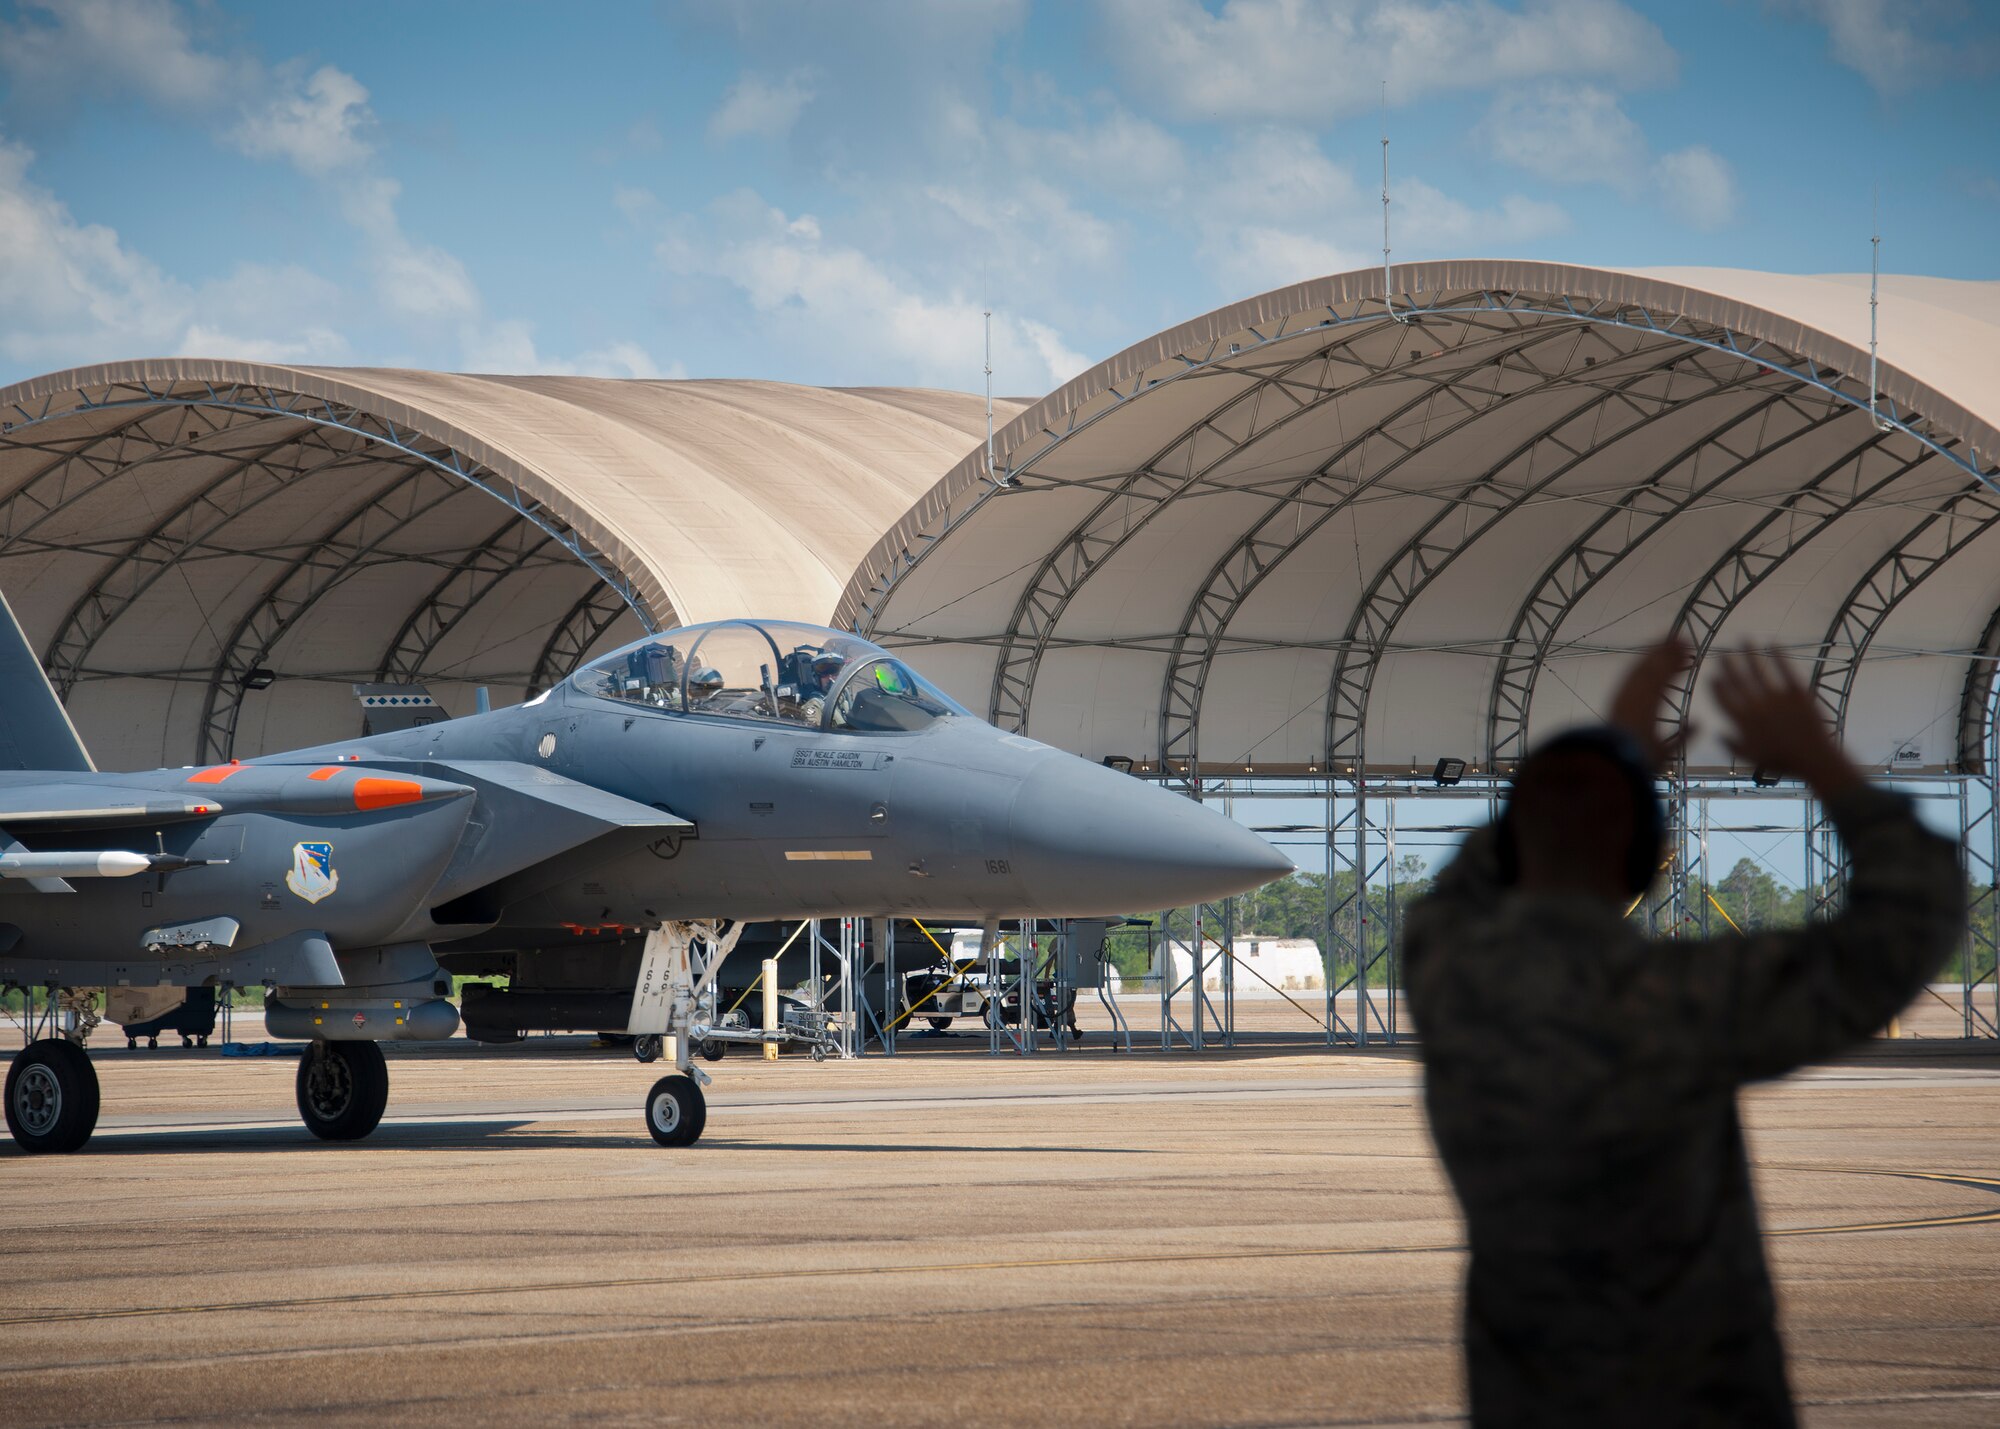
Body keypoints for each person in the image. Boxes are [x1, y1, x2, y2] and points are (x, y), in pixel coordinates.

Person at [1402, 639, 1964, 1428]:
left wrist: (1609, 756)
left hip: (1523, 1402)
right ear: (1645, 858)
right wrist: (1827, 767)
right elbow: (1901, 932)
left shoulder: (1444, 973)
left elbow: (1469, 879)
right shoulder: (1674, 999)